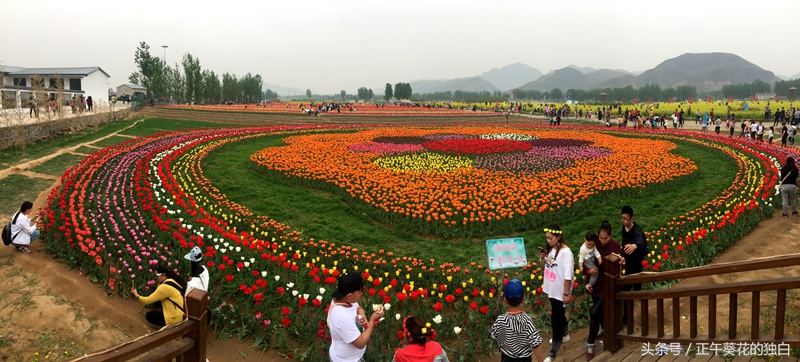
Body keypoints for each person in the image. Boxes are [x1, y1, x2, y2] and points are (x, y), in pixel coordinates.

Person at [583, 221, 622, 360]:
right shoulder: (594, 245)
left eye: (605, 238)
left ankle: (590, 343)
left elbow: (619, 263)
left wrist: (622, 262)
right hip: (595, 284)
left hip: (607, 287)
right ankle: (603, 329)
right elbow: (584, 261)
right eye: (601, 237)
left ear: (611, 236)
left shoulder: (615, 245)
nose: (602, 241)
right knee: (599, 313)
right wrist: (588, 271)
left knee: (594, 312)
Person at [328, 272, 383, 362]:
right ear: (349, 295)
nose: (361, 294)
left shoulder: (342, 299)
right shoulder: (342, 317)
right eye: (359, 292)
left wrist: (362, 313)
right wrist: (372, 321)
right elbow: (360, 343)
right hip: (346, 360)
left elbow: (357, 307)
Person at [539, 224, 574, 362]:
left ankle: (553, 353)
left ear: (558, 237)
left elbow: (568, 276)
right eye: (546, 238)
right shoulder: (552, 249)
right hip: (552, 288)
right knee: (559, 314)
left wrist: (566, 294)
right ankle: (565, 334)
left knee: (556, 320)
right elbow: (544, 266)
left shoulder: (566, 253)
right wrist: (543, 257)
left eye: (550, 238)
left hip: (560, 291)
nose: (548, 241)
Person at [491, 279, 544, 362]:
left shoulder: (501, 320)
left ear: (505, 300)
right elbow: (535, 342)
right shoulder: (526, 320)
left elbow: (494, 334)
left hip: (506, 358)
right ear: (523, 299)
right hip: (524, 359)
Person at [620, 205, 646, 326]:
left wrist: (634, 246)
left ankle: (643, 314)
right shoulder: (623, 228)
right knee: (626, 290)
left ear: (632, 218)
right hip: (628, 264)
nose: (625, 221)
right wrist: (623, 256)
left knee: (637, 290)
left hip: (636, 264)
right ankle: (626, 318)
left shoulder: (636, 230)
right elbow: (623, 244)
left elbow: (640, 241)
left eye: (627, 219)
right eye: (623, 218)